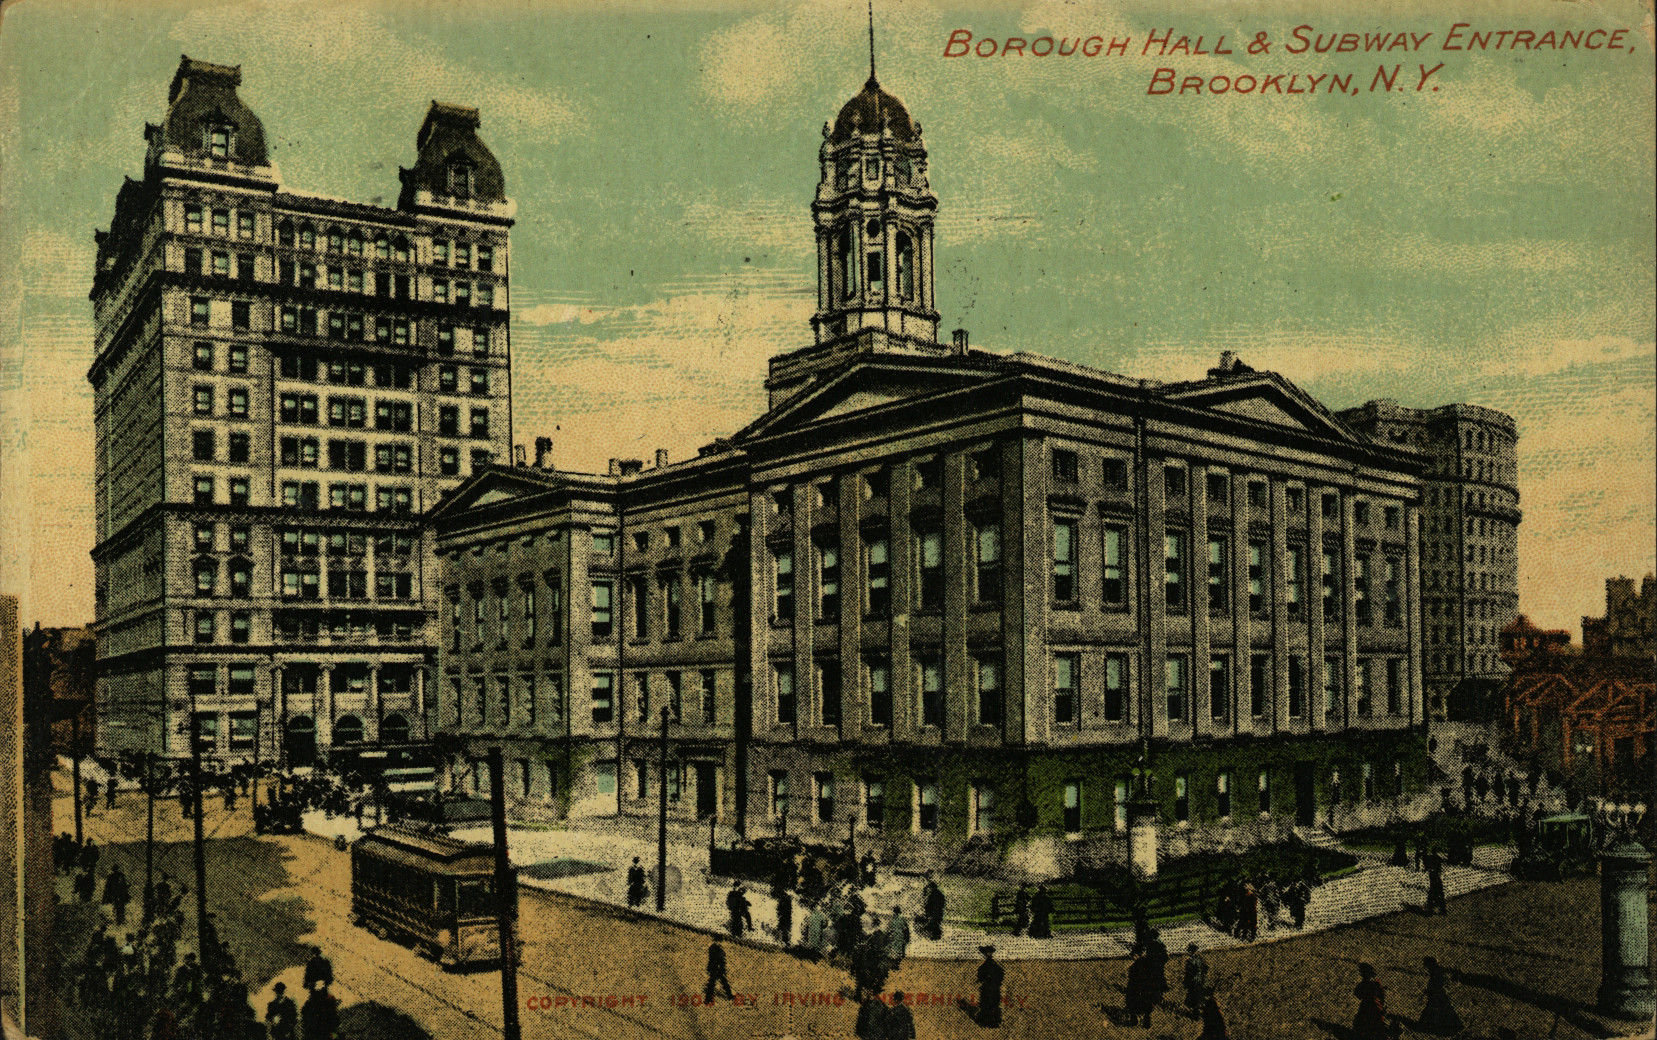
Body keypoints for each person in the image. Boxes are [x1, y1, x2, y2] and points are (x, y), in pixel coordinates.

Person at [1416, 956, 1463, 1034]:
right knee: (1443, 1008)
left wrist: (1428, 991)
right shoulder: (1437, 970)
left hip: (1437, 994)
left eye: (1427, 965)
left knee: (1435, 1009)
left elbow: (1435, 983)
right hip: (1438, 994)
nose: (1426, 968)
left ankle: (1429, 1026)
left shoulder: (1436, 971)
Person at [1351, 962, 1389, 1040]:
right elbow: (1381, 996)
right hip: (1374, 1006)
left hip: (1367, 1006)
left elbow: (1357, 994)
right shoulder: (1375, 984)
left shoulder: (1363, 985)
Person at [1124, 948, 1159, 1029]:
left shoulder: (1136, 965)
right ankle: (1146, 1022)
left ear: (1137, 955)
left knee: (1132, 1003)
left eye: (1134, 956)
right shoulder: (1148, 963)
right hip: (1147, 989)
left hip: (1137, 988)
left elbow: (1132, 977)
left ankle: (1134, 1020)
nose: (1133, 957)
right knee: (1147, 1007)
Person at [974, 945, 1003, 1027]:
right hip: (994, 989)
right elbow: (1001, 975)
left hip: (988, 989)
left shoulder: (984, 966)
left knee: (987, 1004)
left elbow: (980, 978)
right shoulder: (996, 966)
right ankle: (993, 1022)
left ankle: (986, 1022)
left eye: (988, 953)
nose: (987, 954)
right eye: (986, 953)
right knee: (992, 1004)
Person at [1182, 942, 1209, 1018]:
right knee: (1199, 996)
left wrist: (1186, 982)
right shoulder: (1199, 959)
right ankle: (1199, 1012)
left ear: (1190, 951)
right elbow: (1206, 968)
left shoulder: (1190, 961)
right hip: (1200, 980)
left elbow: (1188, 973)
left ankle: (1195, 1013)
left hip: (1193, 981)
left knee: (1193, 997)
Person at [704, 939, 734, 1003]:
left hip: (717, 969)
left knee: (720, 982)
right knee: (713, 983)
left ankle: (729, 995)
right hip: (715, 969)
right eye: (719, 941)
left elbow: (721, 961)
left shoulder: (716, 949)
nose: (720, 942)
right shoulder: (715, 949)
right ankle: (708, 998)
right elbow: (716, 960)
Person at [885, 906, 910, 971]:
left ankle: (893, 965)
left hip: (893, 936)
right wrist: (906, 937)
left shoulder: (892, 919)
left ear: (894, 912)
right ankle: (896, 965)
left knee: (893, 950)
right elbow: (905, 929)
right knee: (899, 951)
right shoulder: (902, 918)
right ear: (899, 911)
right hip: (899, 936)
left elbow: (888, 928)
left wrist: (888, 934)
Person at [921, 875, 946, 940]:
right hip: (939, 911)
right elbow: (943, 902)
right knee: (937, 923)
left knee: (934, 924)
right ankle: (938, 935)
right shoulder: (940, 894)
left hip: (934, 912)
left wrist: (927, 910)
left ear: (932, 888)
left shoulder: (932, 894)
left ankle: (935, 936)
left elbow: (930, 903)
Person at [1424, 849, 1448, 915]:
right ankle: (1442, 910)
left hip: (1434, 879)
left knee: (1432, 894)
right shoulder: (1438, 859)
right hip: (1437, 879)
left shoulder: (1430, 860)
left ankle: (1430, 911)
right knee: (1440, 894)